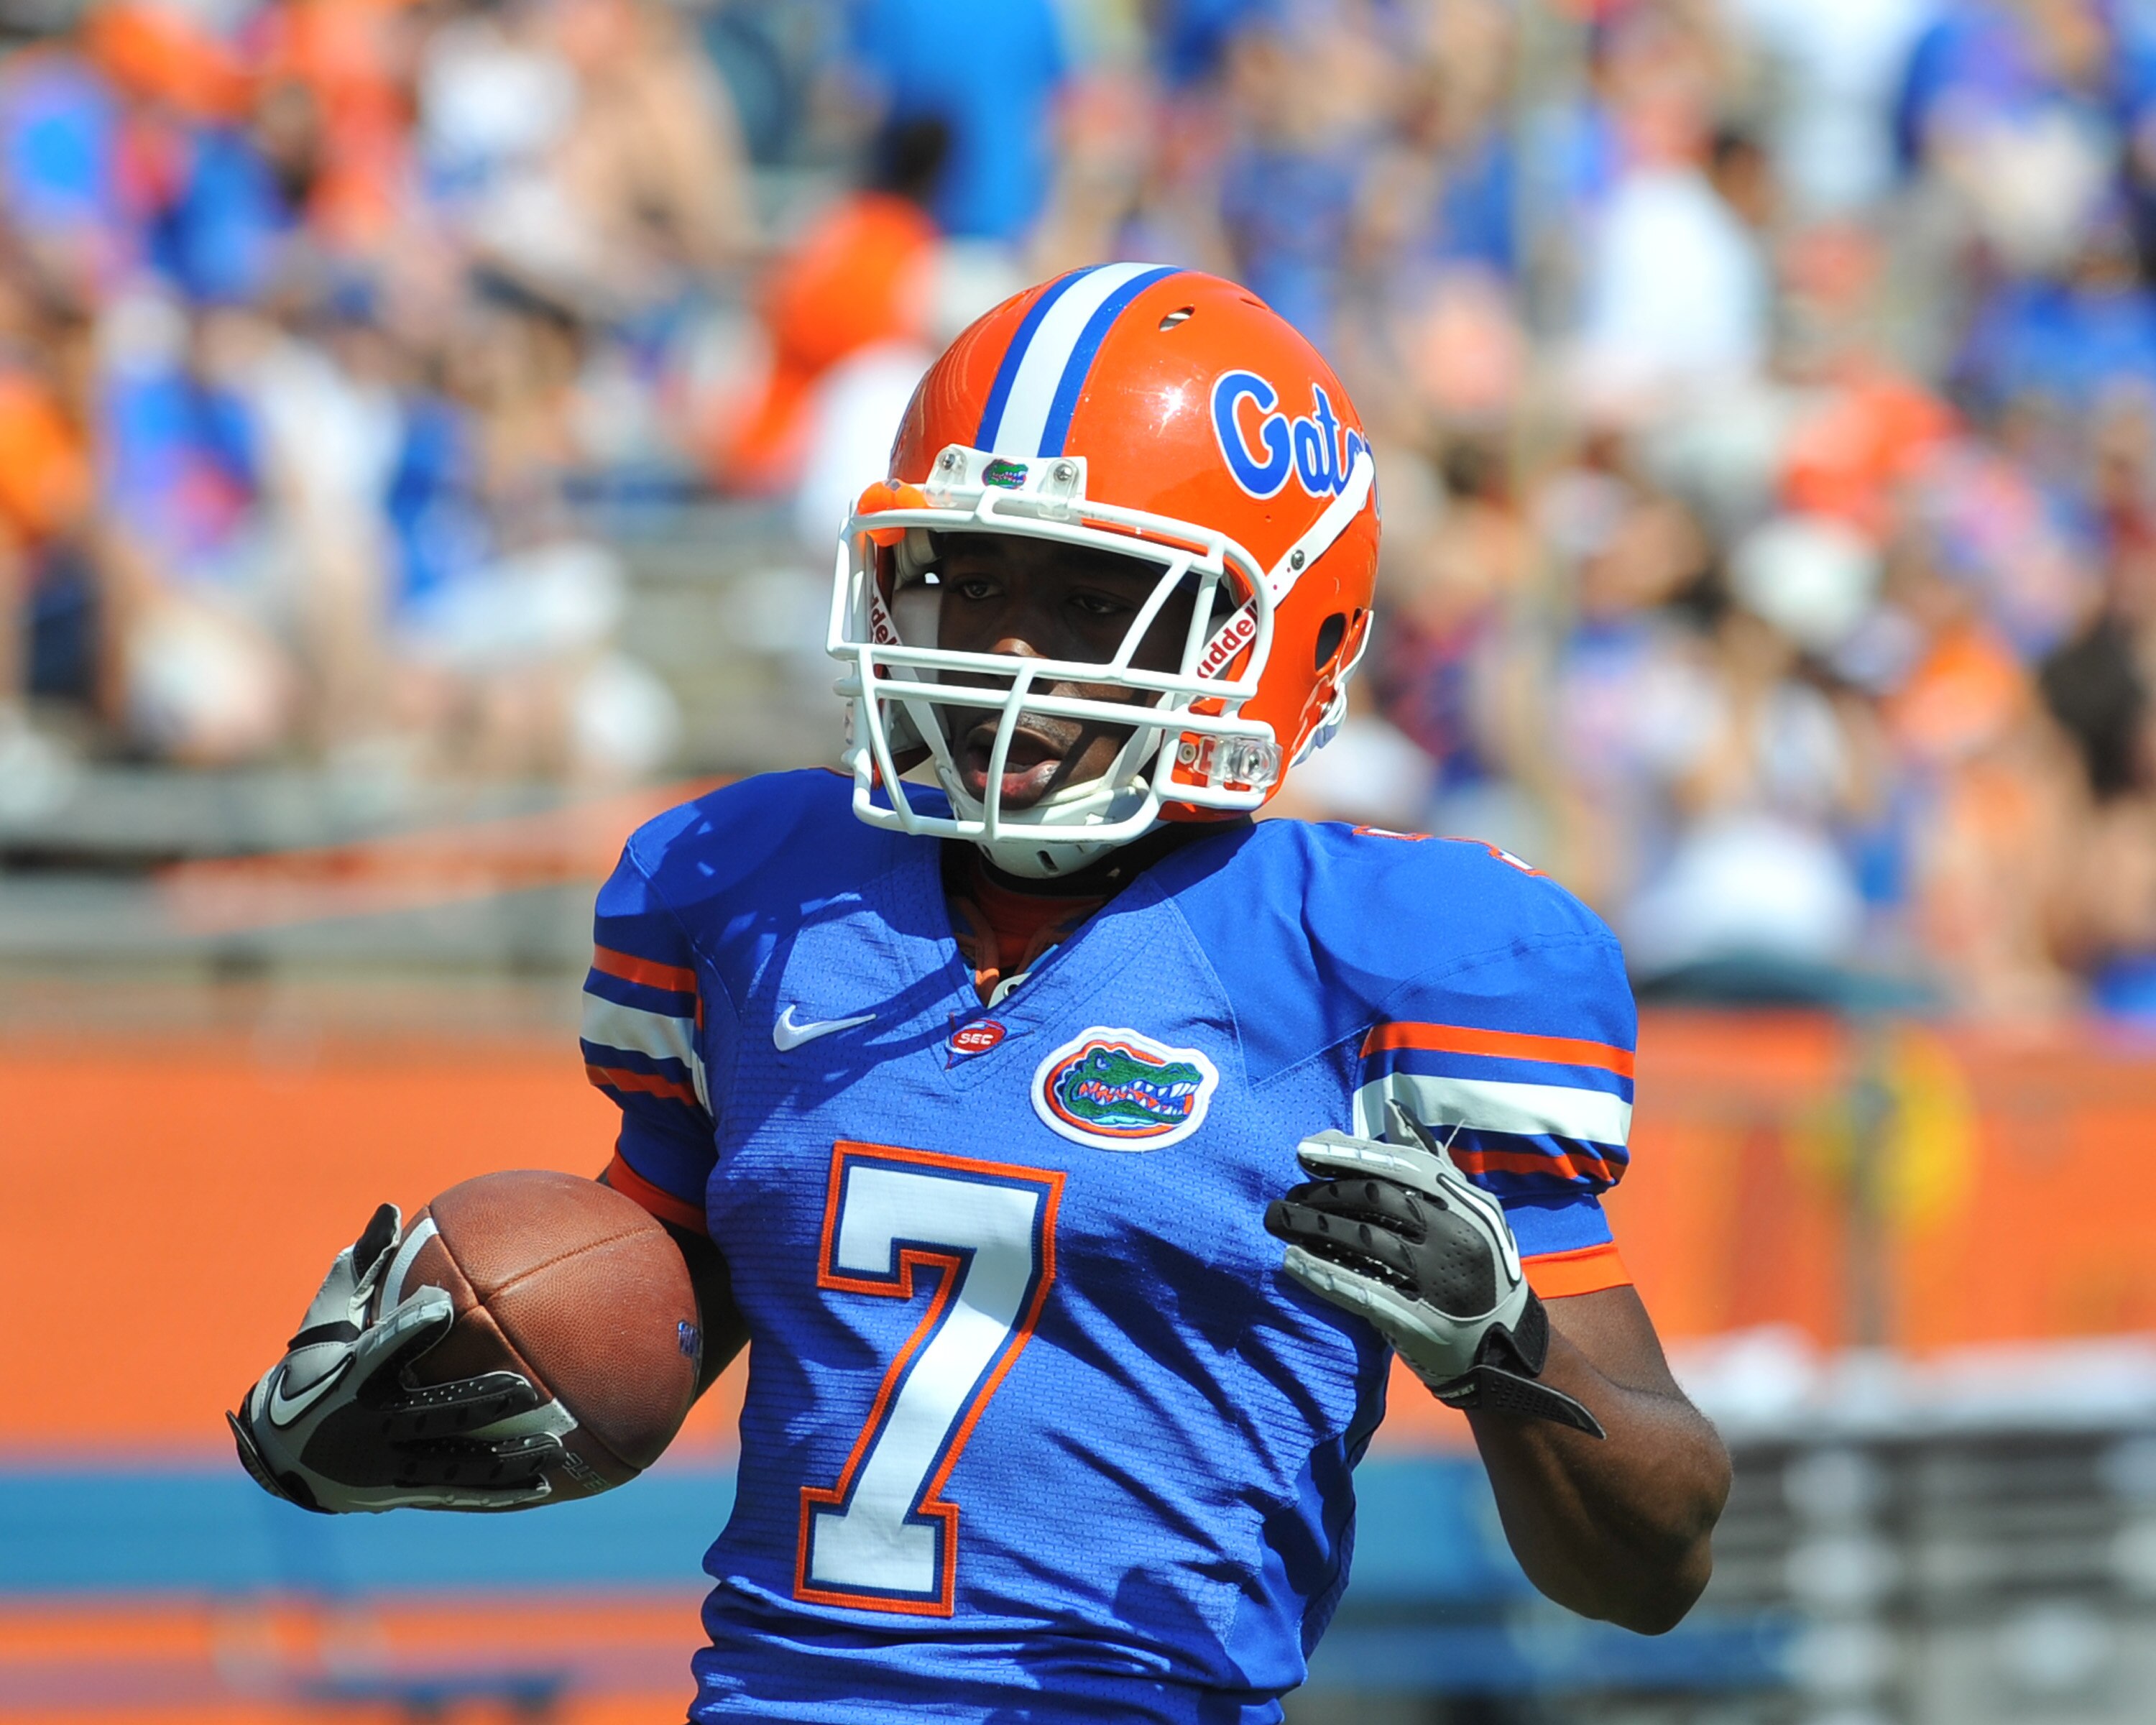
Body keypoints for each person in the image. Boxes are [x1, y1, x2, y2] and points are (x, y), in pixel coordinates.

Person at [229, 264, 1731, 1722]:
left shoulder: (1397, 961)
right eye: (968, 575)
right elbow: (651, 1322)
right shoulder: (754, 892)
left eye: (1091, 598)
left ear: (1283, 636)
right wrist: (439, 1383)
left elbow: (1652, 1568)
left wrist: (1505, 1350)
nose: (1005, 647)